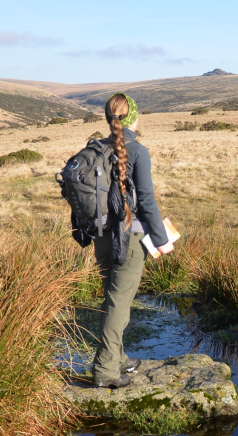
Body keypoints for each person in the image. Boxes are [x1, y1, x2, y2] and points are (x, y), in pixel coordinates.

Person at [92, 93, 171, 389]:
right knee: (119, 301)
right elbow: (147, 200)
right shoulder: (139, 150)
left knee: (112, 297)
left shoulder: (97, 148)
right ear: (133, 118)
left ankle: (118, 356)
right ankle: (106, 370)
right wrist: (161, 239)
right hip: (130, 236)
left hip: (101, 234)